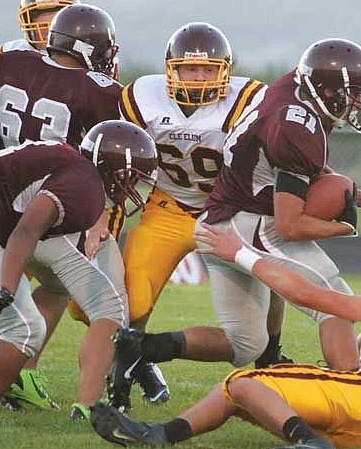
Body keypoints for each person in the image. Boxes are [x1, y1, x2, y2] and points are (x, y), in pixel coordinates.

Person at [107, 38, 361, 411]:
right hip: (249, 224)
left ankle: (139, 346)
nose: (357, 102)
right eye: (352, 93)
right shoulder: (299, 128)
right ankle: (355, 398)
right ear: (328, 91)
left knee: (244, 343)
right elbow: (290, 226)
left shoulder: (288, 90)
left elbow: (298, 169)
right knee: (337, 303)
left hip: (215, 223)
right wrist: (344, 228)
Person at [91, 232, 361, 449]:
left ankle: (310, 443)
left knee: (244, 383)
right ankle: (159, 434)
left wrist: (243, 255)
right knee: (242, 395)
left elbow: (309, 296)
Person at [0, 3, 128, 419]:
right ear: (89, 49)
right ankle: (89, 408)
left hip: (3, 214)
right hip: (61, 215)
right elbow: (109, 157)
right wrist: (99, 219)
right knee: (110, 310)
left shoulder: (11, 62)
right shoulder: (101, 91)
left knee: (3, 317)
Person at [0, 121, 156, 449]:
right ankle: (80, 407)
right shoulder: (82, 181)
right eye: (129, 177)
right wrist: (5, 286)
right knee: (87, 312)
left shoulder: (62, 158)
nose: (132, 187)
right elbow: (28, 229)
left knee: (0, 326)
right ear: (108, 168)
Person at [107, 21, 281, 406]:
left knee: (270, 267)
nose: (198, 76)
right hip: (167, 209)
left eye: (207, 69)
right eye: (189, 68)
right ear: (171, 69)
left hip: (226, 217)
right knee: (130, 304)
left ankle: (271, 353)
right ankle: (124, 372)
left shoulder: (248, 100)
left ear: (225, 72)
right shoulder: (141, 98)